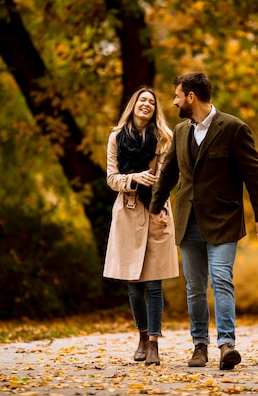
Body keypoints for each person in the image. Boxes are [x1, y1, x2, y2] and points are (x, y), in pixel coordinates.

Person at [150, 72, 258, 370]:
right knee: (194, 287)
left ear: (191, 96)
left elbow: (253, 174)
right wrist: (155, 207)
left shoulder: (233, 128)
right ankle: (200, 346)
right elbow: (169, 172)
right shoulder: (180, 131)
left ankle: (226, 345)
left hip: (224, 220)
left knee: (221, 280)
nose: (174, 101)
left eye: (177, 95)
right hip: (188, 219)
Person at [103, 86, 179, 366]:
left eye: (151, 101)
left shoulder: (163, 139)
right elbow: (112, 178)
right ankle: (142, 336)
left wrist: (158, 201)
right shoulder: (116, 138)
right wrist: (133, 178)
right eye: (142, 100)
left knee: (154, 283)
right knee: (133, 284)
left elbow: (167, 177)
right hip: (128, 211)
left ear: (155, 109)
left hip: (156, 211)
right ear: (133, 105)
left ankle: (155, 344)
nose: (146, 104)